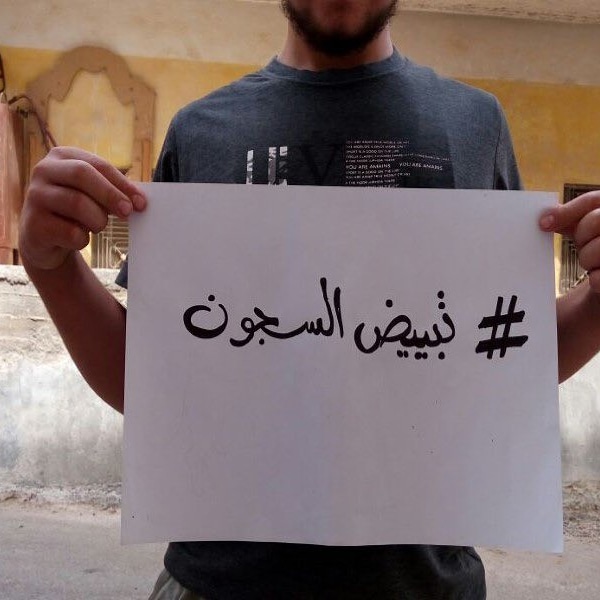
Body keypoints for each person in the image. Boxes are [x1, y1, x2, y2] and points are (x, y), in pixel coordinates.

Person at [18, 1, 600, 598]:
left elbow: (505, 361)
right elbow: (150, 383)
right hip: (220, 584)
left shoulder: (474, 124)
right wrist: (51, 266)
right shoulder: (201, 132)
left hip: (424, 585)